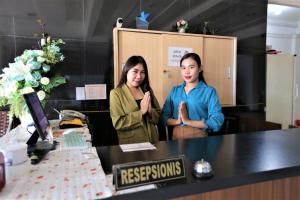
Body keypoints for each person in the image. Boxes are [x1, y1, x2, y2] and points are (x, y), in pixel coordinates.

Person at [162, 53, 224, 140]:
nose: (187, 71)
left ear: (200, 68)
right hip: (175, 139)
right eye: (183, 68)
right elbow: (163, 117)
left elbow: (217, 121)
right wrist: (177, 121)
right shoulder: (175, 90)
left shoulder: (209, 91)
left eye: (191, 67)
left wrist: (188, 122)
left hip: (199, 138)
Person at [110, 56, 161, 144]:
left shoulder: (147, 90)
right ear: (126, 71)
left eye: (142, 72)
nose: (139, 76)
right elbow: (118, 123)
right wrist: (141, 112)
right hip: (131, 143)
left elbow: (159, 117)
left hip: (153, 141)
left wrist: (150, 111)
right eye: (135, 71)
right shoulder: (116, 93)